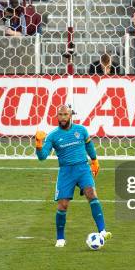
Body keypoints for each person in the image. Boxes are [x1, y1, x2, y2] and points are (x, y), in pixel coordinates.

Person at [35, 105, 111, 248]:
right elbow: (42, 157)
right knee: (63, 205)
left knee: (91, 194)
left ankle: (103, 231)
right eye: (60, 114)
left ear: (70, 116)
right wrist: (38, 144)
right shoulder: (53, 136)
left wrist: (94, 160)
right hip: (66, 172)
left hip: (82, 168)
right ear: (57, 116)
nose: (62, 117)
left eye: (65, 114)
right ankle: (60, 238)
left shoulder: (81, 130)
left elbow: (89, 146)